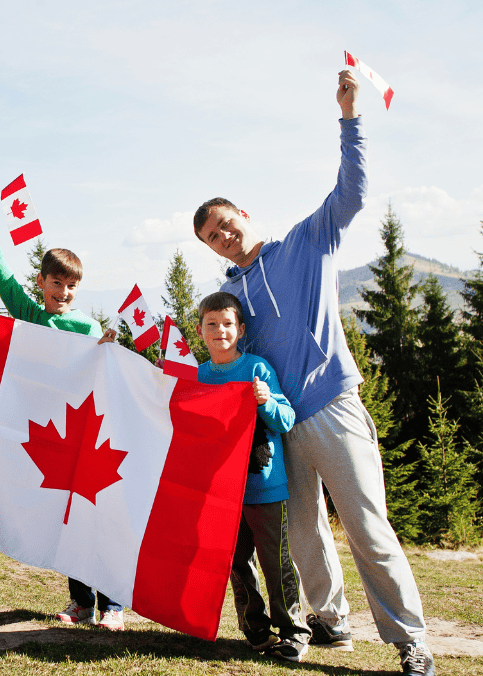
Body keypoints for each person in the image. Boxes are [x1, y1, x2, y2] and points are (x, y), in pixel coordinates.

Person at [192, 71, 434, 676]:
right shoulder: (231, 294)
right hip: (279, 425)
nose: (223, 238)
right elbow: (220, 352)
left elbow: (350, 193)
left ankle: (412, 641)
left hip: (333, 405)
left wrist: (351, 119)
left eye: (224, 225)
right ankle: (329, 620)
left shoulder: (306, 241)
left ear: (243, 215)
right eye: (211, 239)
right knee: (304, 534)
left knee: (367, 528)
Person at [0, 198, 125, 631]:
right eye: (56, 283)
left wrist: (109, 350)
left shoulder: (88, 329)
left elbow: (107, 376)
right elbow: (2, 278)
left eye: (71, 286)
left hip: (89, 434)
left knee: (97, 517)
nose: (63, 293)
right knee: (70, 521)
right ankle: (81, 603)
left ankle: (113, 604)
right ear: (41, 282)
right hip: (51, 435)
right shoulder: (31, 314)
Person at [195, 292, 310, 662]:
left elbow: (286, 420)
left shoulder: (258, 369)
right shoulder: (201, 374)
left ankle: (294, 631)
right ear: (200, 331)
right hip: (222, 490)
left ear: (241, 329)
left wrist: (266, 401)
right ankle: (254, 627)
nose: (220, 330)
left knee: (275, 561)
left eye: (227, 323)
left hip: (264, 484)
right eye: (211, 324)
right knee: (236, 561)